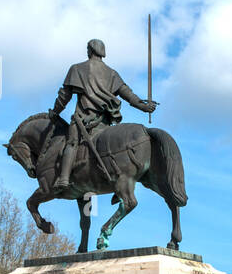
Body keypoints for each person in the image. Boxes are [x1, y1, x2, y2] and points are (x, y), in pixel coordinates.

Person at [50, 39, 157, 192]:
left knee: (72, 143)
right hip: (104, 124)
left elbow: (64, 96)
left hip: (83, 121)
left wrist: (55, 112)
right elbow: (127, 94)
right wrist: (144, 106)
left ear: (90, 51)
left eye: (88, 49)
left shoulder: (77, 69)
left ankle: (64, 178)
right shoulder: (112, 74)